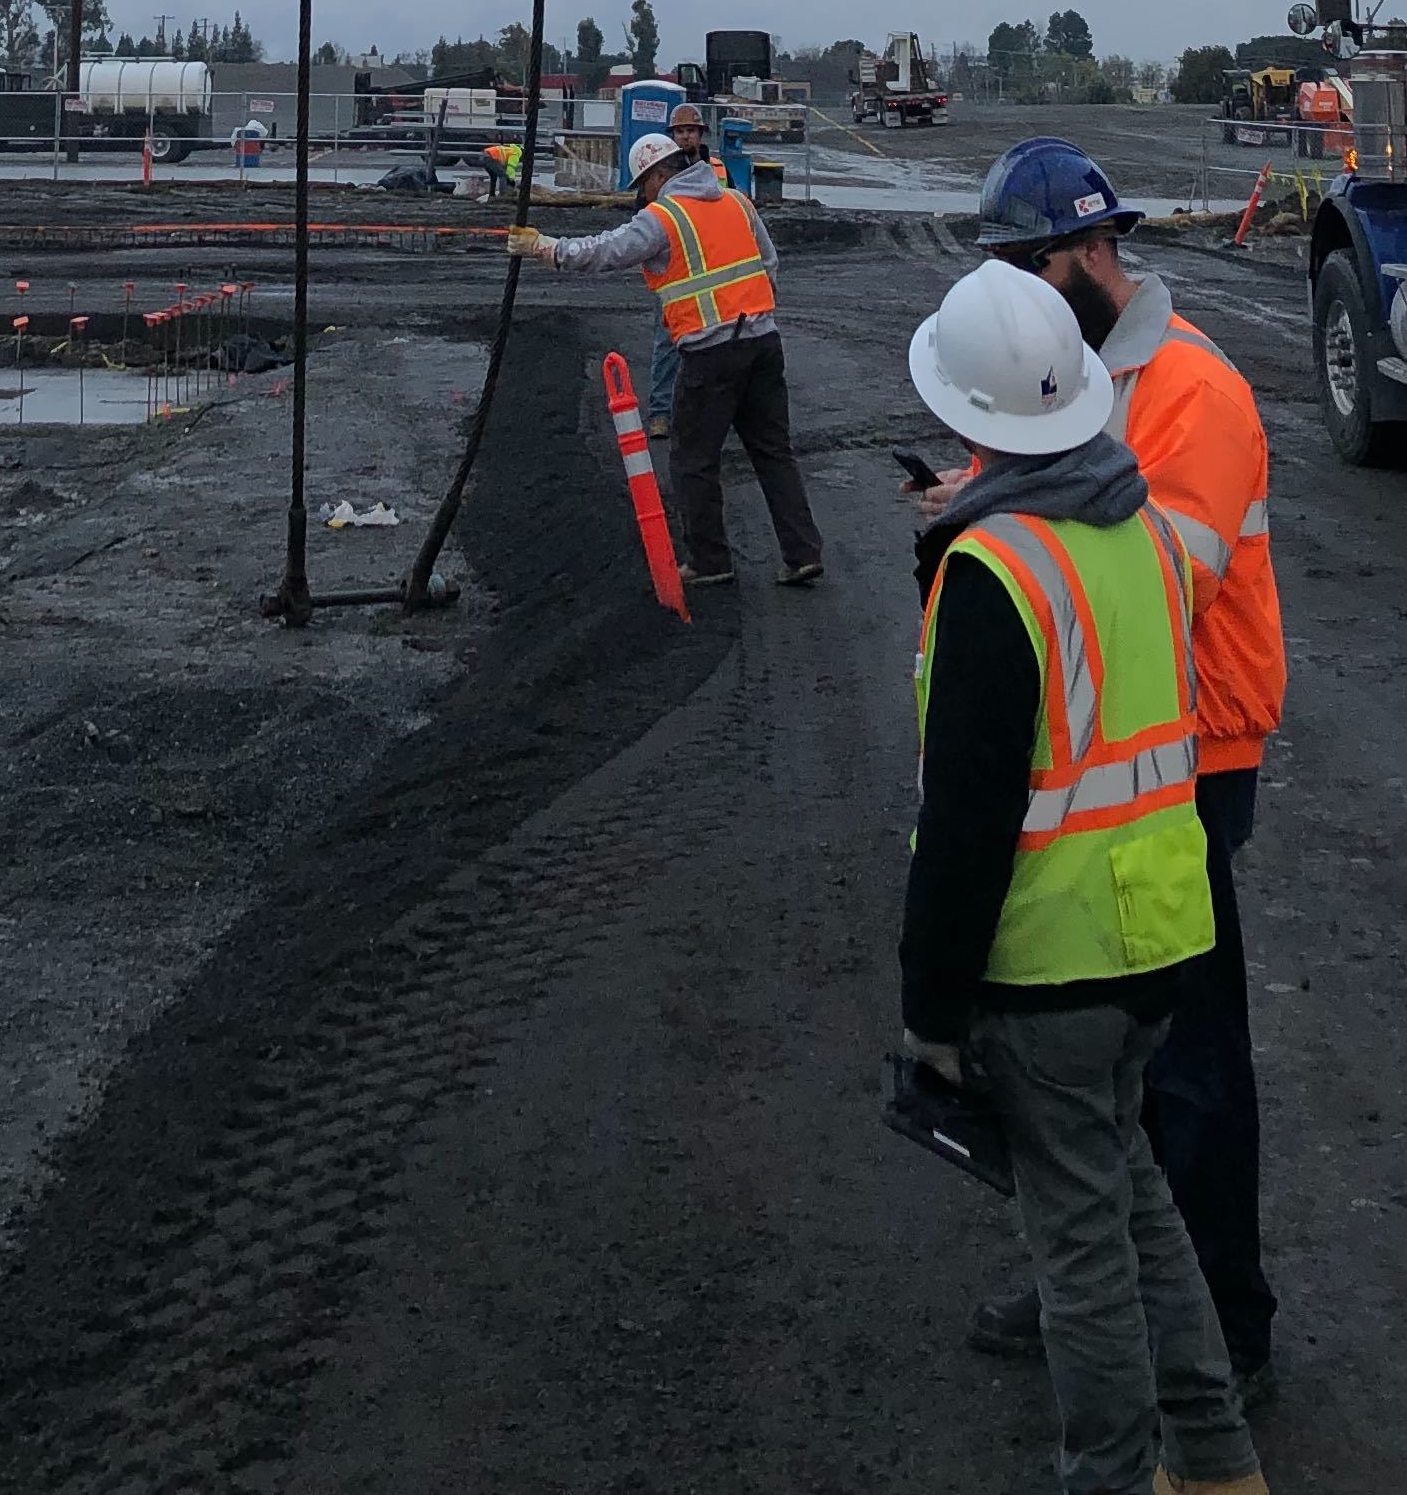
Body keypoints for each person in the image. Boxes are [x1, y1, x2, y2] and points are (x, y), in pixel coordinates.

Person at [902, 259, 1264, 1495]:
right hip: (1156, 940)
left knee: (1079, 1250)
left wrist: (931, 1019)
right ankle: (1215, 1463)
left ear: (970, 417)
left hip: (1049, 965)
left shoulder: (995, 575)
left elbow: (966, 821)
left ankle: (1111, 1471)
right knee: (1139, 1205)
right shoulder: (1147, 538)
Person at [957, 141, 1282, 1400]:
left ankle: (1228, 1334)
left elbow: (1166, 574)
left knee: (1190, 1062)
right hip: (1100, 758)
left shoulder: (1190, 389)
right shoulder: (1076, 380)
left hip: (1190, 757)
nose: (1023, 296)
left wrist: (990, 525)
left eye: (1032, 270)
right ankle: (1091, 1283)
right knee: (1095, 1063)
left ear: (1092, 254)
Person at [506, 100, 824, 586]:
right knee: (773, 452)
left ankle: (710, 561)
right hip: (762, 343)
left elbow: (604, 252)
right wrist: (756, 311)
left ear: (656, 177)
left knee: (693, 461)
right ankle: (802, 552)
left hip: (709, 354)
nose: (642, 198)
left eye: (642, 189)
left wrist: (543, 248)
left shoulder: (664, 217)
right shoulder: (736, 201)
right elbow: (769, 264)